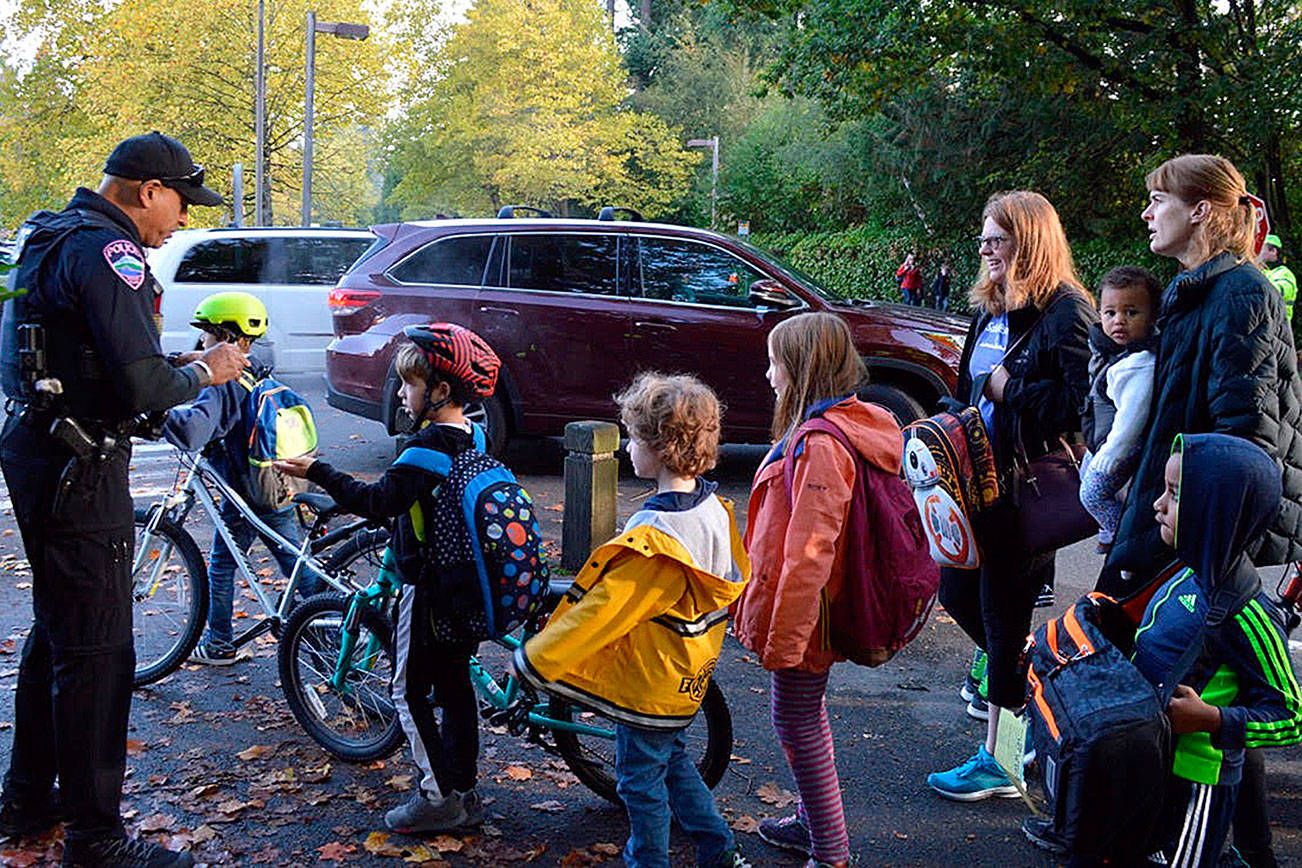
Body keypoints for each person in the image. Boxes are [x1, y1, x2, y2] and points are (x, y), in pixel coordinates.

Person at [0, 131, 245, 867]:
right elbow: (140, 389)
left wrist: (163, 363)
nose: (181, 221)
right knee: (100, 648)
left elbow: (81, 353)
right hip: (81, 468)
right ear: (147, 191)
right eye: (180, 204)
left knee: (59, 631)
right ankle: (96, 838)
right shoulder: (113, 254)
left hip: (38, 448)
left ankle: (28, 799)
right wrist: (208, 370)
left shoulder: (48, 233)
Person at [1100, 156, 1302, 867]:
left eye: (1160, 200)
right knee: (1210, 713)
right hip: (1180, 525)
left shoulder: (1241, 294)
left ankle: (1182, 843)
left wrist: (1187, 537)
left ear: (1205, 211)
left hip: (1196, 538)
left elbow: (1244, 444)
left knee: (1208, 696)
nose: (1148, 213)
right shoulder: (1197, 290)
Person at [514, 372, 751, 868]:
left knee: (638, 782)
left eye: (634, 438)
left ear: (662, 448)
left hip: (648, 682)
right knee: (675, 763)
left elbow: (605, 611)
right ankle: (717, 845)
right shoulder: (712, 507)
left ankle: (648, 861)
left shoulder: (656, 536)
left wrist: (536, 659)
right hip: (687, 675)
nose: (625, 448)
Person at [276, 323, 499, 835]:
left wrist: (319, 471)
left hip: (428, 593)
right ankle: (463, 789)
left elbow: (380, 502)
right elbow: (415, 499)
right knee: (456, 686)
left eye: (409, 384)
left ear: (439, 392)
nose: (401, 391)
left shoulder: (425, 448)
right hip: (464, 588)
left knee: (407, 691)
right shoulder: (474, 436)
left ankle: (438, 797)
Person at [924, 191, 1095, 802]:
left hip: (1026, 490)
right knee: (959, 592)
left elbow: (1084, 406)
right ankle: (1029, 691)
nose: (985, 250)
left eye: (998, 239)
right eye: (983, 240)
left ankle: (1002, 758)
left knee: (1001, 612)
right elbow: (972, 389)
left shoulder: (1068, 313)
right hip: (976, 485)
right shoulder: (991, 308)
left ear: (1030, 242)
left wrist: (1007, 386)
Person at [731, 312, 903, 868]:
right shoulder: (847, 422)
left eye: (775, 361)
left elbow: (810, 553)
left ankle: (830, 850)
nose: (767, 374)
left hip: (811, 616)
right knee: (803, 716)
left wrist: (785, 640)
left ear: (801, 369)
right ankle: (812, 821)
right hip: (816, 613)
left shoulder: (820, 443)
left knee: (795, 720)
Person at [1137, 436, 1299, 866]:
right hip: (1154, 768)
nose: (1157, 505)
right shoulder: (1185, 574)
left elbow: (1289, 718)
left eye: (1174, 495)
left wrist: (1211, 719)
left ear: (1214, 511)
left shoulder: (1248, 614)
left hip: (1197, 784)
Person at [160, 292, 322, 665]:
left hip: (248, 489)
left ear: (224, 336)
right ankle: (326, 631)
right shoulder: (255, 365)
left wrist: (158, 416)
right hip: (272, 480)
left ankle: (221, 644)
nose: (201, 342)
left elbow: (194, 431)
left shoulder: (224, 383)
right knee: (293, 560)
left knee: (233, 563)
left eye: (205, 335)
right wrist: (190, 363)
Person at [1079, 266, 1160, 554]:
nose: (1119, 321)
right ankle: (1108, 528)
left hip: (1121, 446)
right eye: (1110, 313)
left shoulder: (1138, 363)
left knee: (1091, 495)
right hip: (1101, 439)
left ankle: (1118, 535)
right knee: (1084, 478)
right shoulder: (1109, 351)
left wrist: (1110, 457)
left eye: (1131, 313)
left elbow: (1131, 419)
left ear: (1151, 317)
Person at [1260, 234, 1297, 322]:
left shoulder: (1284, 274)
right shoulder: (1263, 272)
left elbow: (1270, 293)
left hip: (1278, 331)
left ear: (1273, 251)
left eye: (1260, 248)